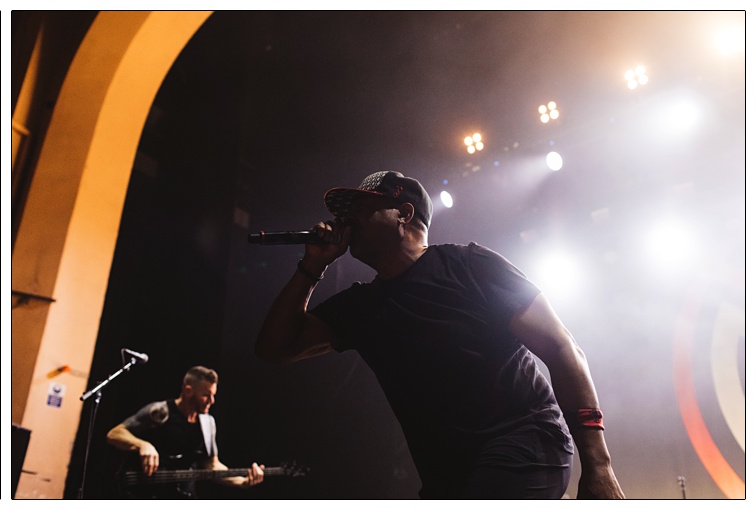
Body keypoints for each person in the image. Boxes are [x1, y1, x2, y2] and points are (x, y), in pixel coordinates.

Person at [254, 170, 624, 499]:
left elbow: (562, 347)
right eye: (344, 212)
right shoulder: (361, 307)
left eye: (360, 208)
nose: (345, 220)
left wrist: (599, 467)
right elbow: (274, 348)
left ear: (405, 214)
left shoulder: (469, 265)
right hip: (448, 472)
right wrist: (312, 266)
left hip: (525, 441)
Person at [105, 366, 263, 499]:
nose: (212, 401)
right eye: (206, 395)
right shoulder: (161, 411)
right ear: (188, 391)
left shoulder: (208, 423)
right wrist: (142, 445)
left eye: (213, 395)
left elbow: (212, 465)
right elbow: (114, 433)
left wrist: (242, 481)